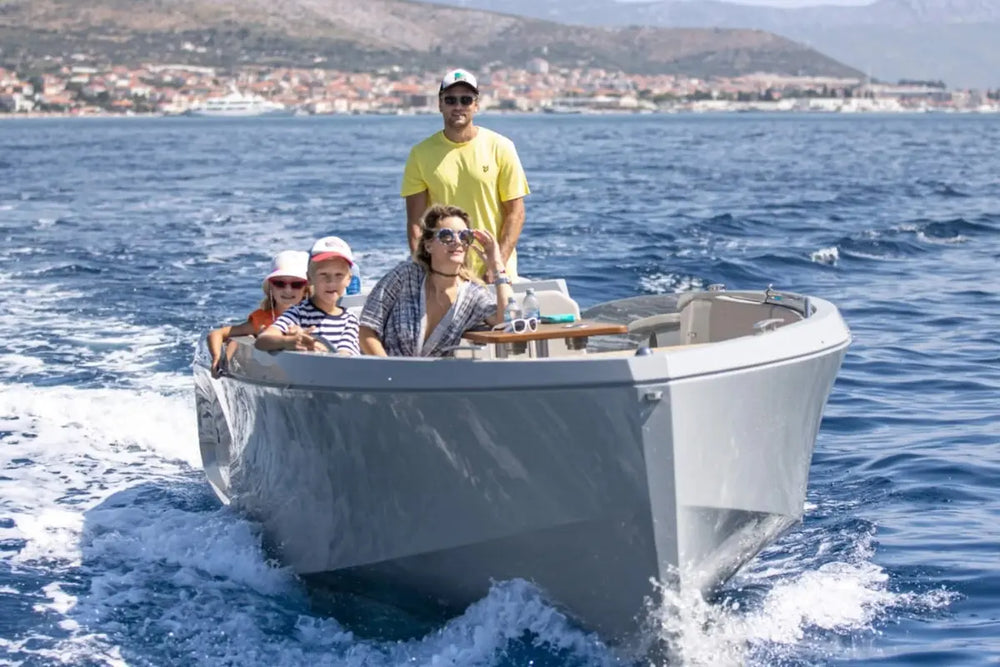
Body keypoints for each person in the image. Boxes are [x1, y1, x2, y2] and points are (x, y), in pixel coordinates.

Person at [401, 68, 530, 281]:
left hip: (496, 272)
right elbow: (416, 223)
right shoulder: (420, 154)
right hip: (446, 274)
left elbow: (516, 213)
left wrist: (498, 263)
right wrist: (426, 270)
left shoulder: (501, 147)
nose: (458, 106)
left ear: (476, 105)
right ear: (440, 104)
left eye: (466, 100)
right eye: (450, 100)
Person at [359, 204, 512, 357]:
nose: (458, 242)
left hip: (436, 379)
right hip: (384, 375)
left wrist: (497, 265)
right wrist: (391, 372)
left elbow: (507, 322)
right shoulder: (405, 276)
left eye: (464, 236)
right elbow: (366, 329)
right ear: (428, 245)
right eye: (447, 235)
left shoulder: (473, 295)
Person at [207, 250, 309, 378]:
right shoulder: (262, 320)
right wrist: (216, 358)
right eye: (280, 283)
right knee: (239, 341)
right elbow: (216, 333)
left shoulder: (316, 318)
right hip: (269, 379)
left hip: (306, 376)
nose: (287, 290)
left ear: (306, 288)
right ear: (271, 287)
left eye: (296, 284)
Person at [256, 236, 361, 356]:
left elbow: (345, 356)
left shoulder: (350, 320)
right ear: (310, 278)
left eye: (339, 275)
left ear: (349, 280)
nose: (331, 282)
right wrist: (289, 341)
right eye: (323, 274)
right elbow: (262, 341)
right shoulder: (297, 313)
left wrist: (321, 349)